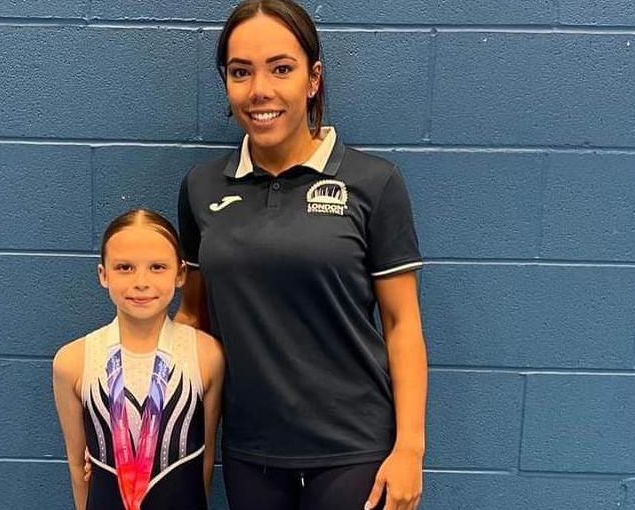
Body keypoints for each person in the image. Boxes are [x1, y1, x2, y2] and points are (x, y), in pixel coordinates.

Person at [175, 1, 427, 509]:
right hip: (251, 451)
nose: (260, 90)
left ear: (313, 80)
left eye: (281, 68)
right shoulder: (201, 188)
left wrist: (410, 450)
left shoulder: (373, 183)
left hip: (355, 450)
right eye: (240, 72)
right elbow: (193, 322)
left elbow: (402, 325)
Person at [53, 209, 225, 510]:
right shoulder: (72, 361)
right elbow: (76, 464)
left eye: (157, 267)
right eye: (124, 268)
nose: (141, 282)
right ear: (103, 275)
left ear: (181, 273)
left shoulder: (207, 355)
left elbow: (206, 459)